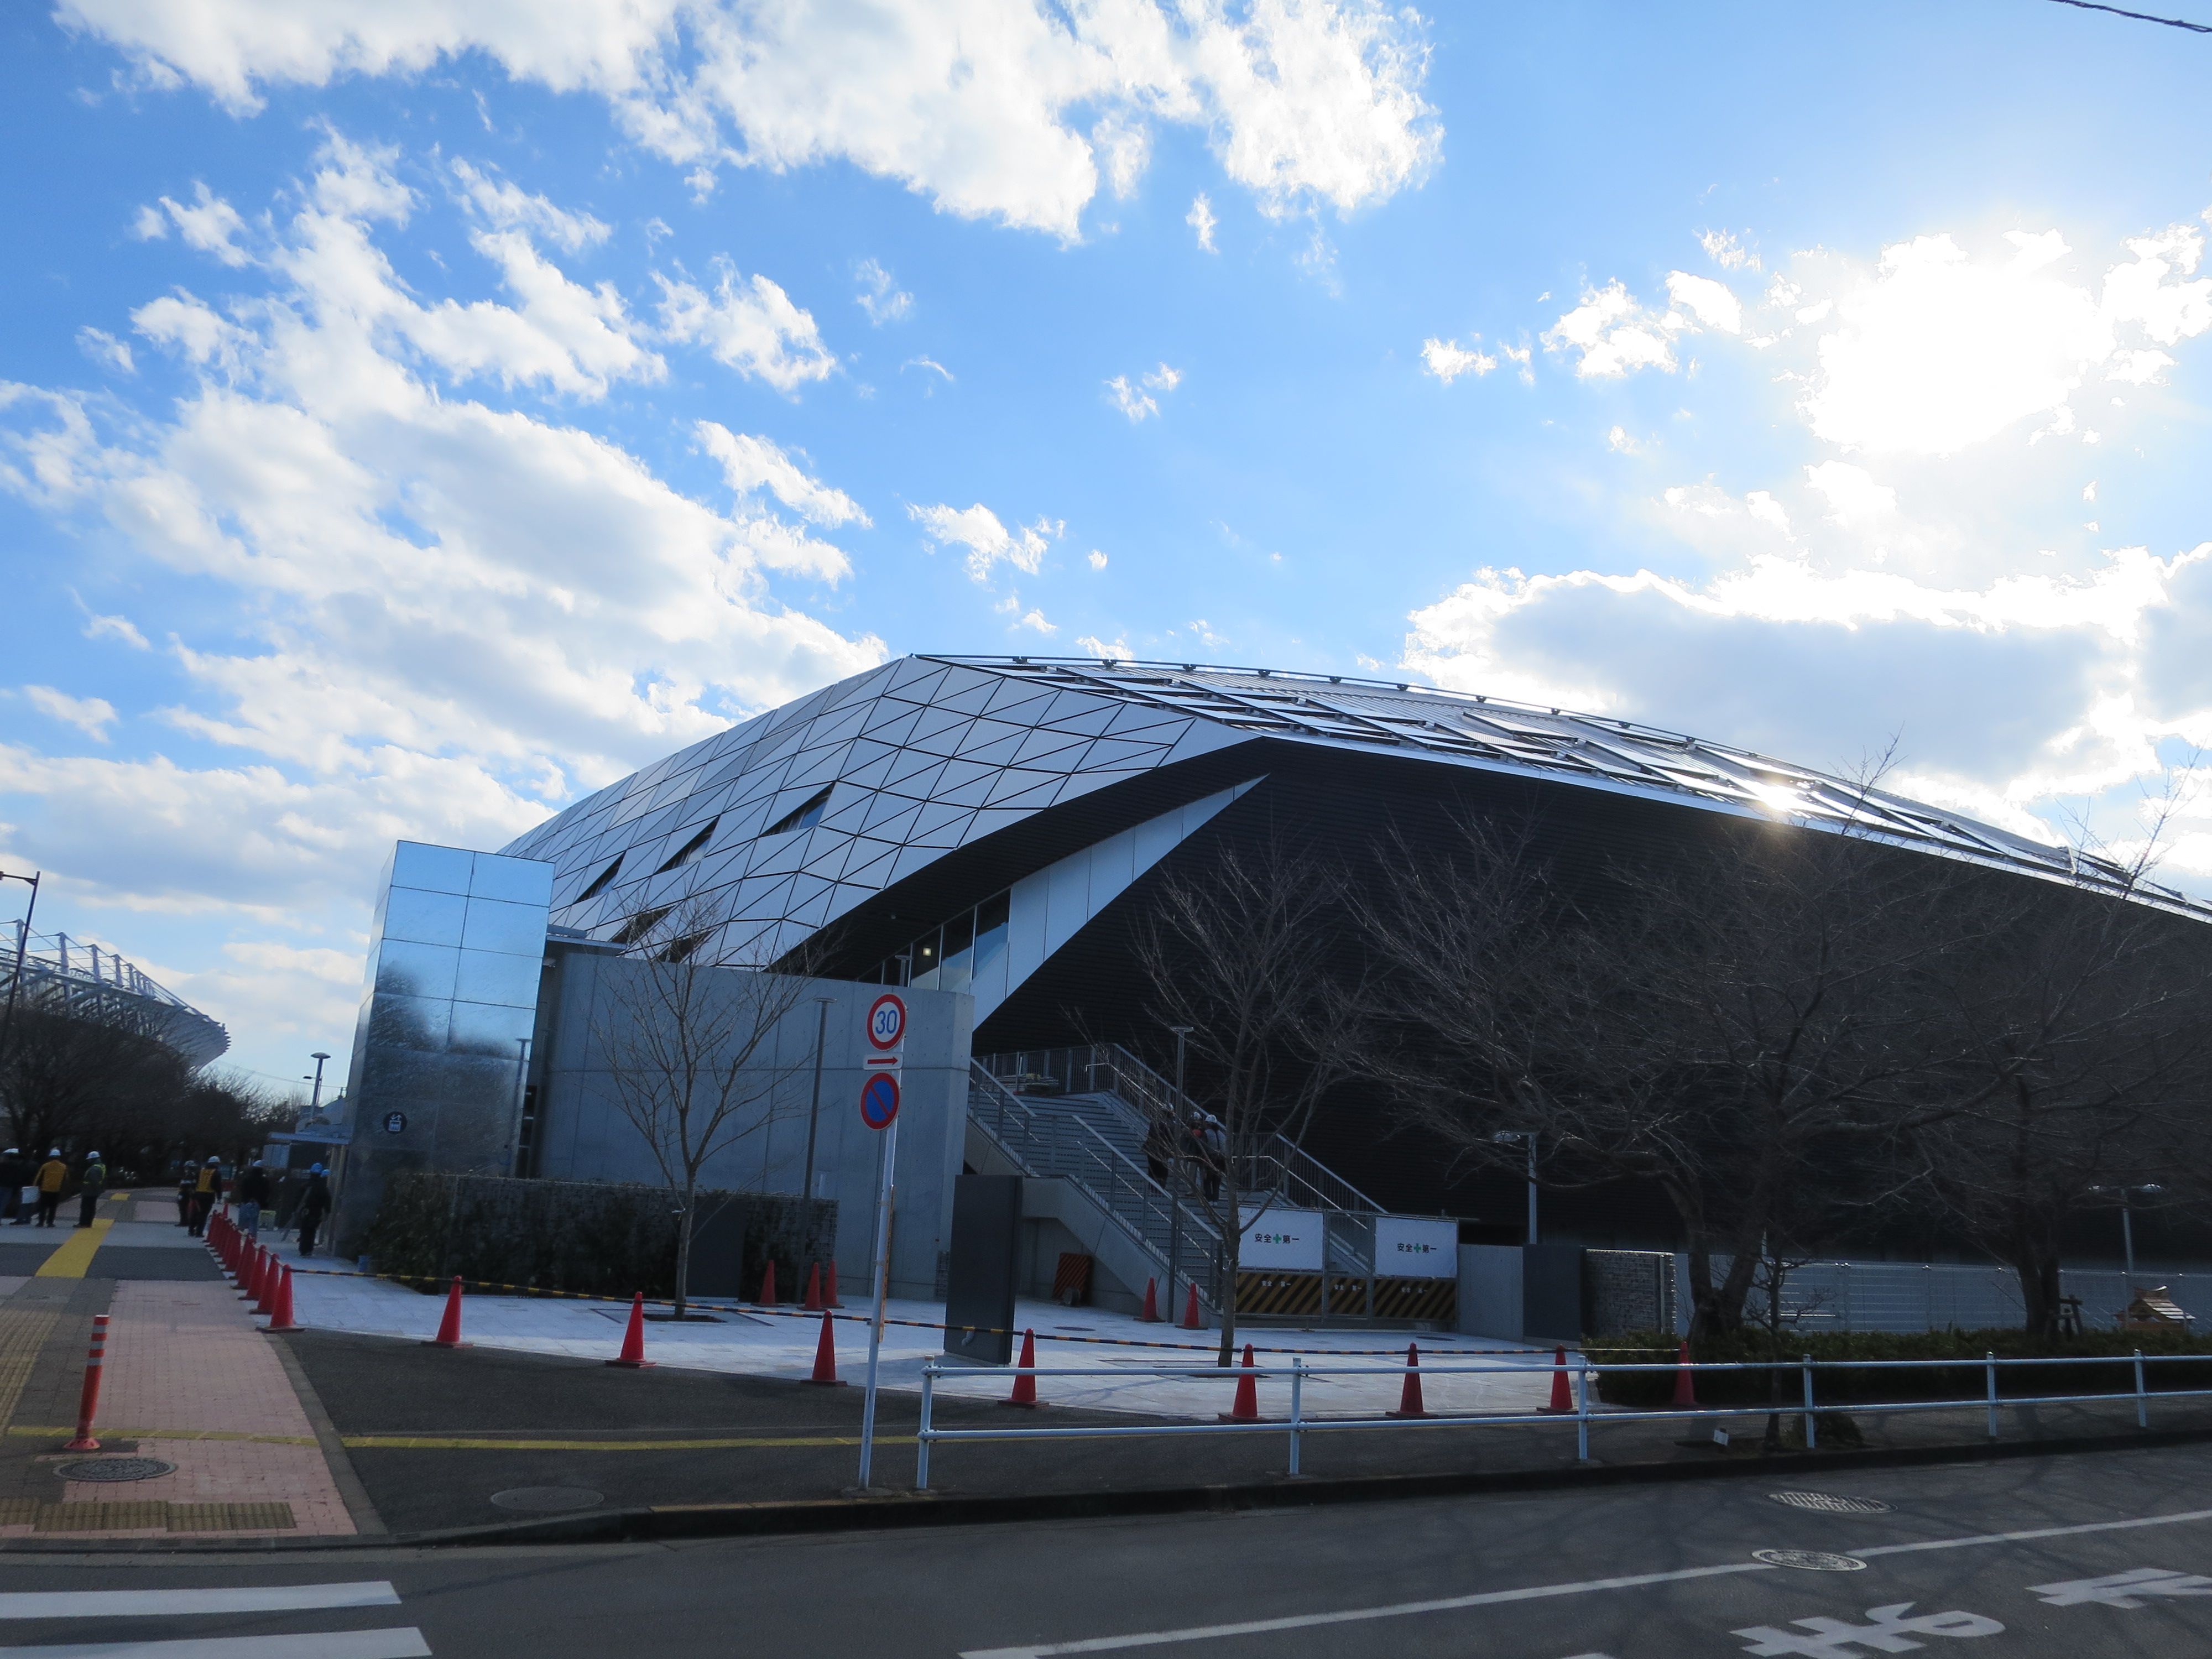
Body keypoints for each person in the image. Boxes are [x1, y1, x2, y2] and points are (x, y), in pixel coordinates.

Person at [294, 1164, 331, 1258]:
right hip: (316, 1211)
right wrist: (327, 1211)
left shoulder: (305, 1186)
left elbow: (297, 1199)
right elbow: (327, 1200)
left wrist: (295, 1210)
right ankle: (309, 1250)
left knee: (304, 1230)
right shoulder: (323, 1188)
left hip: (305, 1211)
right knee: (312, 1230)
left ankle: (303, 1249)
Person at [235, 1159, 271, 1239]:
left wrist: (245, 1199)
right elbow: (267, 1192)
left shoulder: (247, 1178)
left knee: (242, 1222)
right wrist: (263, 1203)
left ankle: (237, 1239)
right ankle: (252, 1240)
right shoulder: (264, 1180)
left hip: (246, 1201)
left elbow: (242, 1190)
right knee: (254, 1223)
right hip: (257, 1202)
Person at [33, 1149, 67, 1228]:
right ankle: (50, 1223)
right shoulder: (63, 1167)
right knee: (53, 1207)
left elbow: (39, 1177)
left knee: (43, 1207)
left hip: (45, 1189)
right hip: (56, 1190)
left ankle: (41, 1222)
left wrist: (35, 1186)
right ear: (59, 1157)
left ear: (50, 1157)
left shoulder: (45, 1166)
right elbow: (66, 1179)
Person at [187, 1156, 221, 1238]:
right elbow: (218, 1186)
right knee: (204, 1214)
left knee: (195, 1213)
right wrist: (219, 1196)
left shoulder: (200, 1171)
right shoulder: (216, 1173)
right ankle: (199, 1232)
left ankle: (191, 1230)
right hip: (208, 1196)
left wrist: (193, 1194)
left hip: (198, 1195)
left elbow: (194, 1183)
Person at [75, 1151, 106, 1228]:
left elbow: (94, 1180)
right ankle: (89, 1223)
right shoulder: (101, 1166)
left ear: (93, 1159)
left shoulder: (94, 1169)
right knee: (91, 1207)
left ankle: (83, 1223)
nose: (88, 1161)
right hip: (94, 1191)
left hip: (89, 1191)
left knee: (86, 1208)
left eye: (90, 1159)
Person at [1142, 1116, 1173, 1190]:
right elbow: (1171, 1139)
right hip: (1162, 1150)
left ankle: (1153, 1187)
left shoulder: (1155, 1122)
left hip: (1153, 1149)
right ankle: (1159, 1188)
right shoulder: (1170, 1124)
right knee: (1161, 1170)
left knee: (1153, 1170)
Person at [0, 1149, 23, 1225]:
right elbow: (17, 1178)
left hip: (1, 1185)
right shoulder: (16, 1167)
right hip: (9, 1187)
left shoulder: (2, 1165)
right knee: (3, 1203)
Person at [176, 1162, 197, 1227]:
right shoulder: (189, 1175)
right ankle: (185, 1221)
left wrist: (182, 1194)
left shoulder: (190, 1175)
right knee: (184, 1209)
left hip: (185, 1194)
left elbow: (187, 1186)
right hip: (185, 1194)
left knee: (183, 1209)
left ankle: (184, 1222)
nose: (186, 1169)